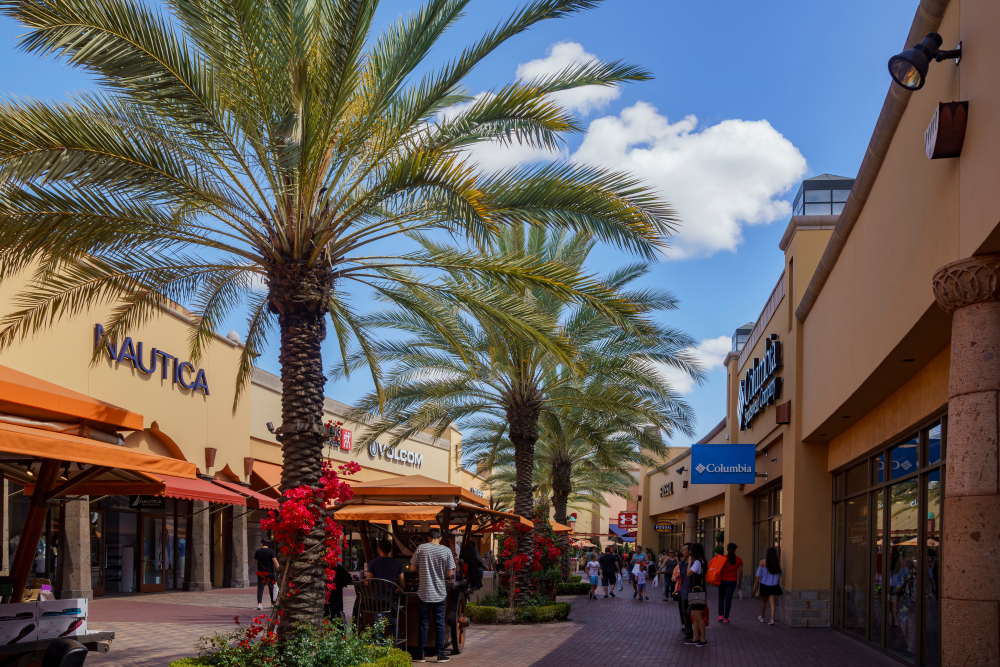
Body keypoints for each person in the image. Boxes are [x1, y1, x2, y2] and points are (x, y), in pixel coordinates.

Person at [410, 528, 455, 663]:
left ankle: (421, 654)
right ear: (440, 538)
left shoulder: (421, 548)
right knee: (439, 624)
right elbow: (450, 573)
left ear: (428, 537)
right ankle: (440, 654)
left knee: (423, 624)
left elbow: (412, 568)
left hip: (424, 592)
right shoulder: (446, 550)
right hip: (440, 593)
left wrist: (422, 570)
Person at [685, 542, 709, 647]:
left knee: (698, 616)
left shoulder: (698, 562)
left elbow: (689, 573)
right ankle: (695, 638)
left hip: (698, 591)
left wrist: (689, 563)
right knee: (694, 615)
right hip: (696, 591)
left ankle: (703, 639)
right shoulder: (701, 561)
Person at [756, 546, 783, 625]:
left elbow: (758, 574)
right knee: (772, 603)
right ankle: (772, 620)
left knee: (763, 601)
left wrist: (755, 585)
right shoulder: (777, 563)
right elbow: (780, 575)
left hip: (764, 584)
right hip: (774, 585)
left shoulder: (763, 562)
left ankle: (762, 617)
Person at [717, 543, 743, 623]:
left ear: (727, 549)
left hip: (722, 581)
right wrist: (740, 582)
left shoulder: (722, 558)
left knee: (721, 598)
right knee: (728, 599)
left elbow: (718, 569)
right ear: (735, 550)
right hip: (732, 581)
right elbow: (740, 572)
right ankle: (726, 618)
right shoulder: (739, 559)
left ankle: (721, 615)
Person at [253, 539, 280, 610]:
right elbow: (275, 562)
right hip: (270, 572)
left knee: (260, 588)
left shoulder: (258, 551)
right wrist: (279, 570)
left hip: (261, 573)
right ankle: (272, 603)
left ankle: (259, 604)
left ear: (262, 543)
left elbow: (255, 561)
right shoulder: (271, 551)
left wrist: (259, 564)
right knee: (271, 587)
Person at [676, 543, 693, 642]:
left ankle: (698, 632)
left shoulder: (695, 563)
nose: (682, 552)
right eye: (682, 550)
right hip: (684, 591)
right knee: (685, 613)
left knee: (692, 613)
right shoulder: (681, 564)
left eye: (685, 550)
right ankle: (688, 632)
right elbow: (681, 577)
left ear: (690, 551)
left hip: (692, 591)